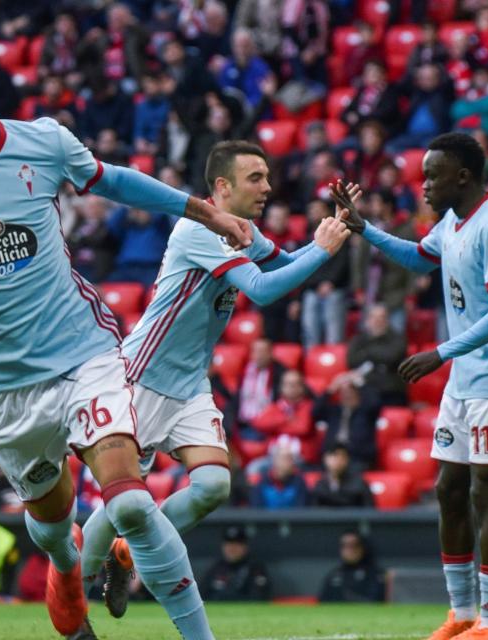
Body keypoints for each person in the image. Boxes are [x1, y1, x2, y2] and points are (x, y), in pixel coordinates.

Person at [0, 17, 253, 640]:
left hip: (84, 354)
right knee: (52, 520)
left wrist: (202, 209)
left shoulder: (42, 142)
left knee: (128, 500)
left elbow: (116, 180)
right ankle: (67, 565)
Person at [80, 140, 350, 618]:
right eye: (256, 178)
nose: (268, 187)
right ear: (222, 187)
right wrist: (322, 252)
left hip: (189, 385)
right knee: (122, 499)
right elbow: (264, 291)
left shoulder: (243, 231)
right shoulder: (196, 228)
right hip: (141, 377)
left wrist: (325, 236)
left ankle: (129, 551)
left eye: (267, 177)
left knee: (212, 487)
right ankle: (75, 586)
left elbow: (282, 267)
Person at [334, 132, 488, 640]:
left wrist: (440, 351)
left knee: (487, 493)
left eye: (432, 175)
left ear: (463, 176)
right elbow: (417, 258)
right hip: (466, 377)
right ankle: (462, 613)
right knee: (449, 489)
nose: (423, 185)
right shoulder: (452, 222)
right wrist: (364, 229)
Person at [198, 525, 270, 602]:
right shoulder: (215, 569)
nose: (232, 548)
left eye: (237, 544)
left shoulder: (255, 568)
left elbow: (260, 596)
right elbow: (202, 596)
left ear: (245, 547)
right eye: (229, 544)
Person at [318, 531, 386, 602]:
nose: (349, 550)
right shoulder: (334, 575)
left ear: (362, 547)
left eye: (354, 545)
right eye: (344, 545)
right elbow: (322, 602)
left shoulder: (377, 574)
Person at [311, 444, 372, 508]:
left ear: (347, 459)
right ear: (325, 458)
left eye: (342, 456)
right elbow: (313, 513)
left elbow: (369, 512)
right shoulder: (320, 485)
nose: (338, 460)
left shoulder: (359, 484)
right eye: (334, 455)